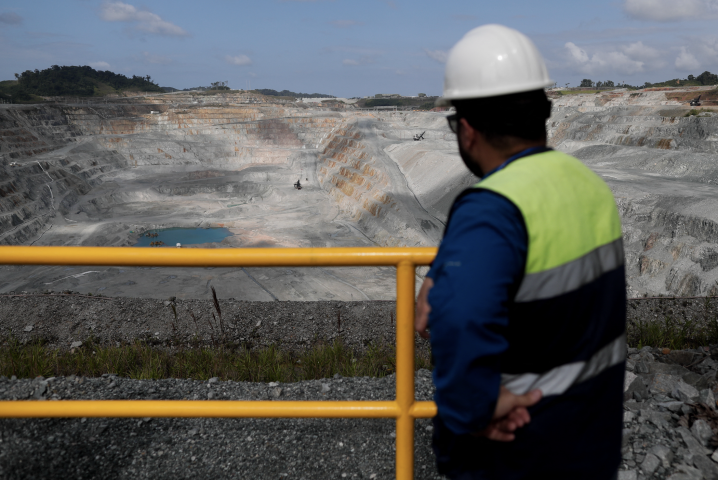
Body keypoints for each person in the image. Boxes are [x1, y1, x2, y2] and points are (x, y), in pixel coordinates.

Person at [415, 24, 626, 479]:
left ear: (466, 129)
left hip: (519, 450)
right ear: (540, 112)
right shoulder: (589, 184)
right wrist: (442, 272)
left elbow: (460, 318)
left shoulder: (490, 208)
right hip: (592, 438)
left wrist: (475, 408)